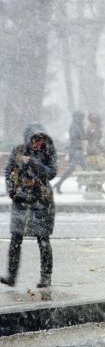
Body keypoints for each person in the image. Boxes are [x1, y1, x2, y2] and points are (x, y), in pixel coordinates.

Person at [1, 123, 57, 288]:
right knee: (16, 238)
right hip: (21, 198)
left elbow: (51, 173)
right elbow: (9, 171)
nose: (38, 143)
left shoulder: (48, 151)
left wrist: (33, 162)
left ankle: (46, 277)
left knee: (43, 238)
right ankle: (11, 276)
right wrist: (12, 191)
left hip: (42, 200)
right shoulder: (18, 151)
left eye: (41, 139)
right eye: (35, 139)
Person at [53, 111, 86, 194]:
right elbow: (76, 137)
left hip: (78, 150)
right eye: (81, 118)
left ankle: (84, 184)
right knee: (74, 168)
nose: (82, 120)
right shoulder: (75, 127)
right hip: (75, 150)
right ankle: (59, 183)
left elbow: (82, 137)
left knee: (83, 168)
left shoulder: (78, 126)